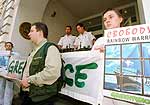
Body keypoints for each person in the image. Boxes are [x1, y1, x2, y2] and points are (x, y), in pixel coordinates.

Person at [20, 22, 61, 105]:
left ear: (40, 32)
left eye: (31, 31)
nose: (28, 34)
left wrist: (29, 80)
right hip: (28, 95)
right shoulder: (33, 52)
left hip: (42, 98)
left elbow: (52, 72)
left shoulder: (50, 48)